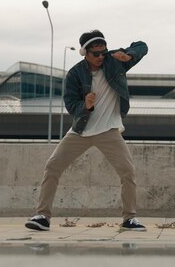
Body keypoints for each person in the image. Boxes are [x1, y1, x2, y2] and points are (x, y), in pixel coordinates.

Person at [25, 30, 148, 232]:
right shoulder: (75, 74)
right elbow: (71, 106)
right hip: (81, 130)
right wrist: (86, 105)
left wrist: (129, 55)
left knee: (128, 172)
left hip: (108, 130)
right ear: (85, 53)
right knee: (53, 166)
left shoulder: (115, 61)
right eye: (96, 54)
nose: (101, 57)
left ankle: (129, 219)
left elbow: (142, 45)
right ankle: (42, 216)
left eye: (103, 52)